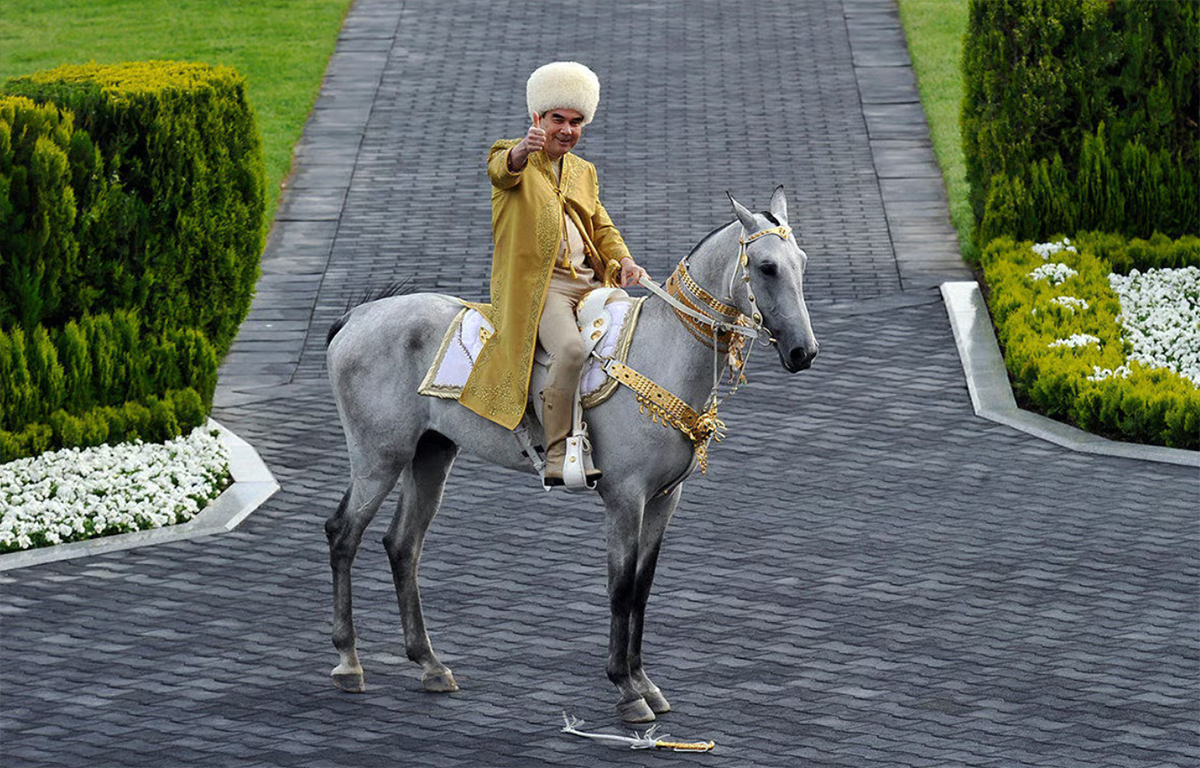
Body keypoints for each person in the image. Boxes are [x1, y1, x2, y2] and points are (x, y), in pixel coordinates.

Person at [459, 61, 648, 486]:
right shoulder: (510, 155)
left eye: (576, 122)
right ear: (537, 119)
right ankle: (559, 451)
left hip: (591, 283)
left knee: (638, 340)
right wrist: (523, 150)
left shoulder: (584, 171)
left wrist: (626, 260)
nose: (567, 129)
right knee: (572, 351)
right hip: (542, 289)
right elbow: (499, 170)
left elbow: (601, 226)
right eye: (557, 119)